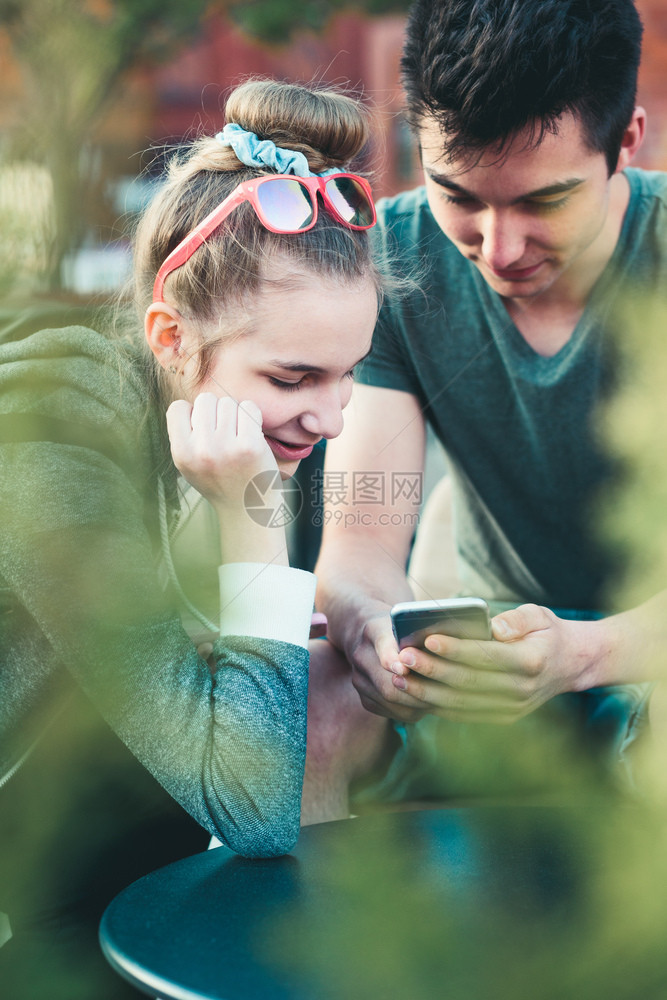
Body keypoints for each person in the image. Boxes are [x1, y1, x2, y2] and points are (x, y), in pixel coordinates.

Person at [0, 78, 389, 999]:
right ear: (170, 335)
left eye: (347, 376)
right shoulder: (56, 450)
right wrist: (255, 520)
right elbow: (253, 808)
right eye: (295, 376)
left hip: (98, 828)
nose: (331, 418)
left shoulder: (223, 420)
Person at [315, 0, 667, 801]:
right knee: (316, 691)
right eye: (460, 196)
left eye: (542, 202)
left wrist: (582, 654)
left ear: (626, 142)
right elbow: (363, 542)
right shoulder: (396, 264)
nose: (497, 248)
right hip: (488, 670)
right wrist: (372, 632)